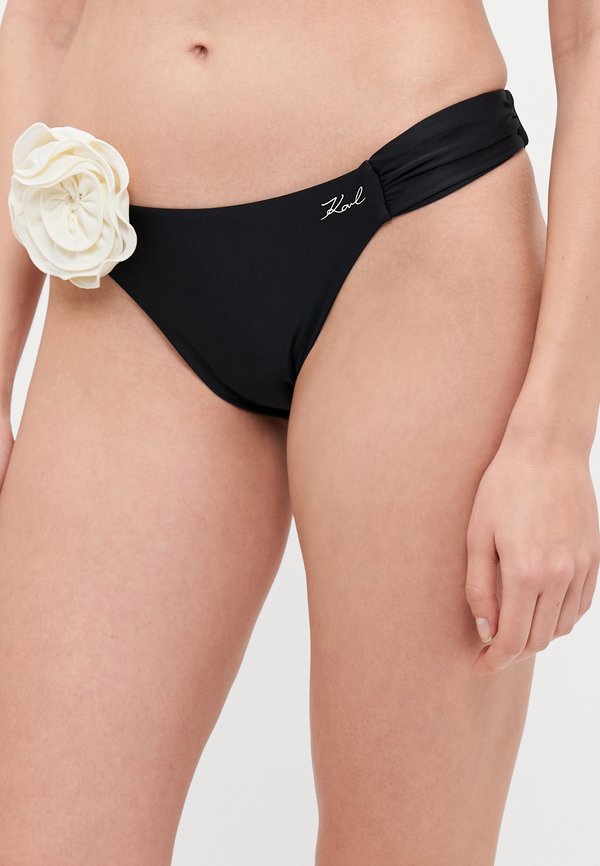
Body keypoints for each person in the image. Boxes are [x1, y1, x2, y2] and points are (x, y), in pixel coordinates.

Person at [0, 0, 598, 863]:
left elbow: (589, 38)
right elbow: (42, 21)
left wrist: (556, 440)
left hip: (409, 232)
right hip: (124, 263)